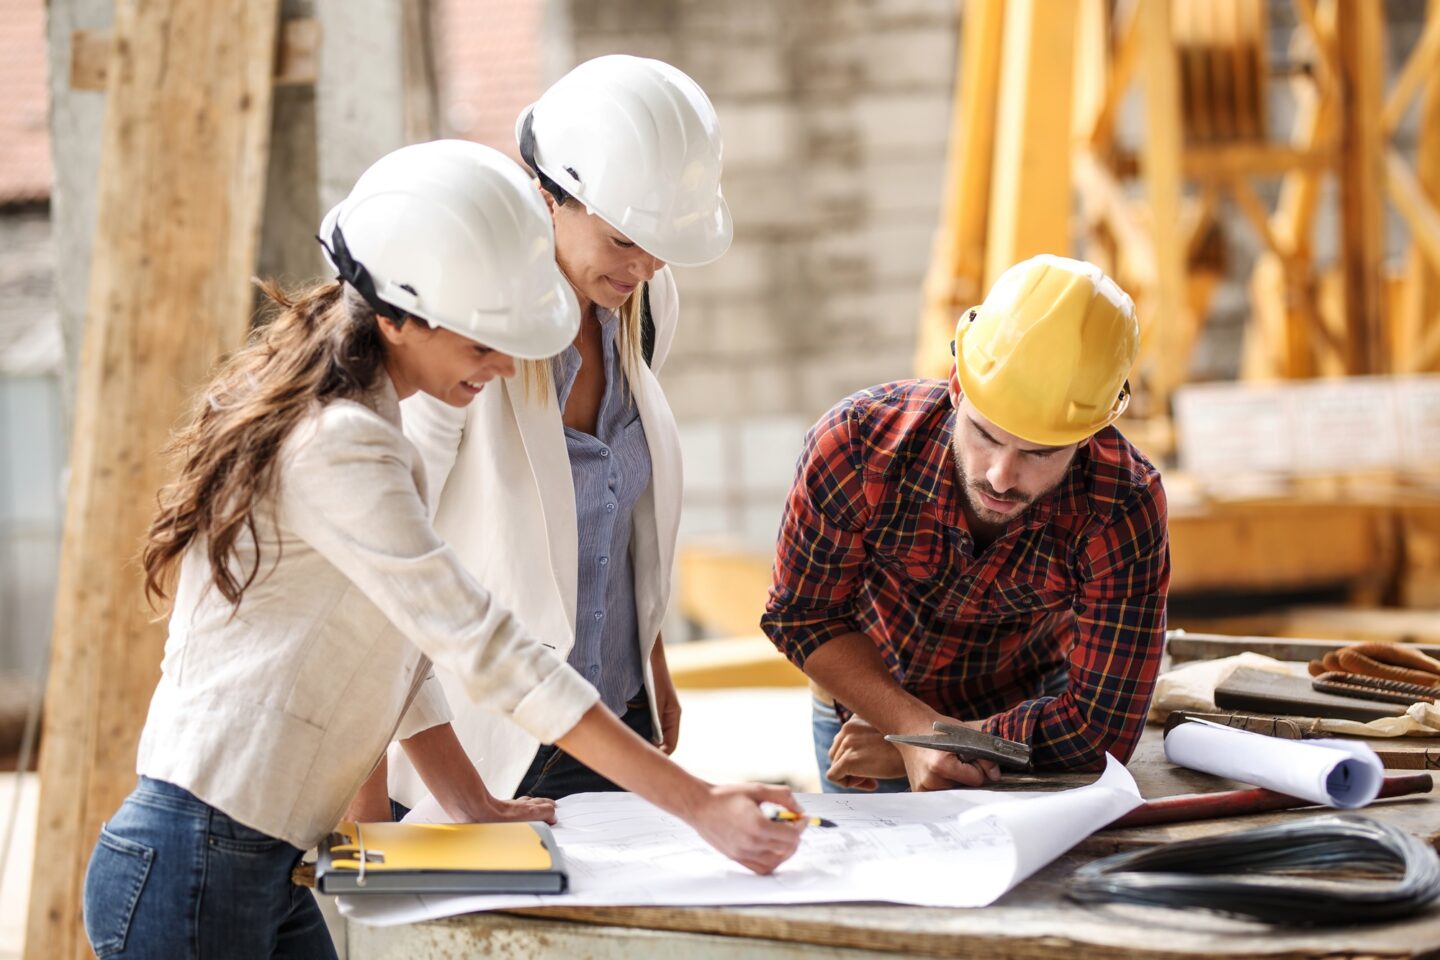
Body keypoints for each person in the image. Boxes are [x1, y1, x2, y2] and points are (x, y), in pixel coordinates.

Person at [82, 141, 802, 960]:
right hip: (196, 865)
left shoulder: (373, 425)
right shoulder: (341, 445)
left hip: (248, 858)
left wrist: (474, 806)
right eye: (482, 342)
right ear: (396, 316)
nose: (504, 365)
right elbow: (477, 642)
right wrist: (697, 803)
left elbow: (409, 644)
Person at [384, 55, 729, 808]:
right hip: (493, 748)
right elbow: (391, 574)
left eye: (661, 244)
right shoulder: (461, 335)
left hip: (618, 721)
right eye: (620, 240)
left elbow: (619, 516)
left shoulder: (644, 305)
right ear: (547, 199)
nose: (644, 264)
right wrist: (374, 819)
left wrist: (652, 658)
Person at [761, 255, 1170, 794]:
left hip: (1025, 728)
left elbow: (1101, 732)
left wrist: (941, 742)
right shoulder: (856, 446)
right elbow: (802, 616)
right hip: (867, 715)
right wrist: (907, 729)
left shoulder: (1122, 504)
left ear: (1091, 433)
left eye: (1040, 453)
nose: (1001, 476)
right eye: (986, 435)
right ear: (957, 384)